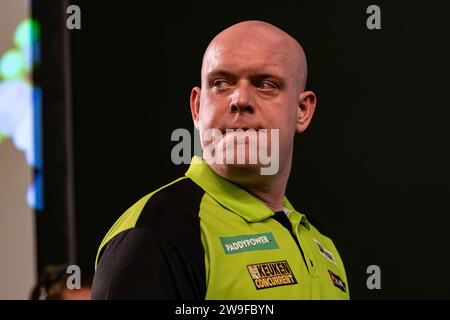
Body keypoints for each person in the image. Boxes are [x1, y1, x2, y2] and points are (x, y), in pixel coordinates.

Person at [91, 20, 350, 300]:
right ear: (198, 107)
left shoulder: (319, 243)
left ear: (302, 110)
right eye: (221, 83)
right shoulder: (155, 235)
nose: (240, 99)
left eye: (264, 84)